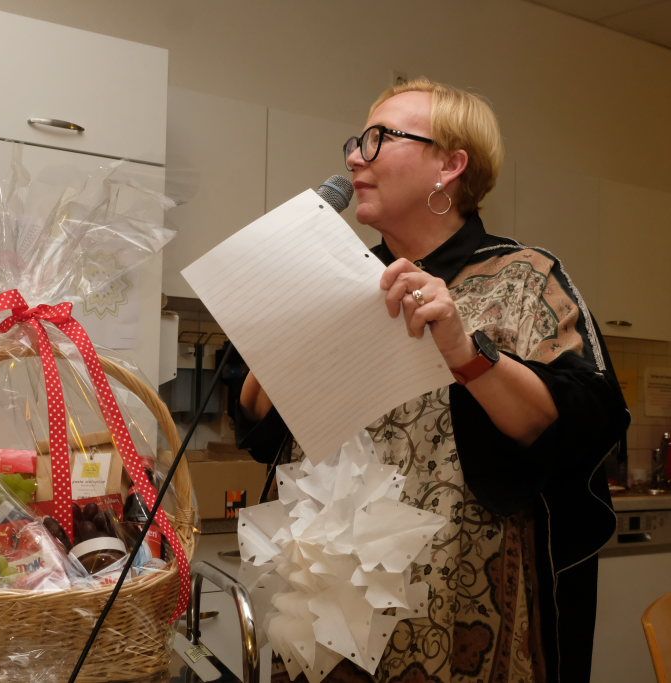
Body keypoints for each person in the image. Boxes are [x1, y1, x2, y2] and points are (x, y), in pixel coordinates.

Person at [236, 78, 629, 682]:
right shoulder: (341, 283)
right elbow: (259, 429)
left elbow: (583, 422)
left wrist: (466, 353)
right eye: (356, 142)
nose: (355, 156)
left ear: (450, 165)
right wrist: (281, 325)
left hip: (460, 610)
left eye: (379, 138)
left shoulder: (525, 277)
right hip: (329, 616)